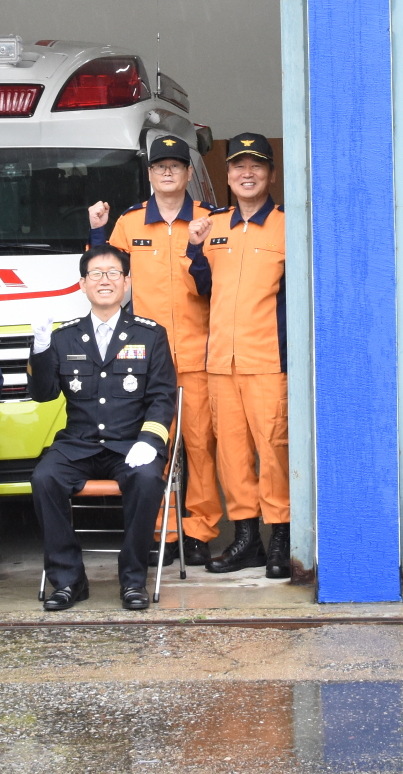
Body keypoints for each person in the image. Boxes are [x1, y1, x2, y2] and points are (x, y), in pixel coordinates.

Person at [88, 133, 215, 568]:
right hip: (145, 359)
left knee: (200, 446)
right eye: (160, 166)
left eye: (175, 166)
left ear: (188, 172)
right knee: (153, 444)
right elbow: (104, 273)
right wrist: (98, 230)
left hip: (198, 352)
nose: (167, 172)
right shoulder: (130, 221)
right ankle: (164, 530)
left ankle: (199, 531)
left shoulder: (208, 218)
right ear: (149, 173)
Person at [30, 244, 179, 611]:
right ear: (83, 284)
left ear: (127, 282)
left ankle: (133, 579)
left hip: (130, 444)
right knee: (45, 478)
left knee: (147, 479)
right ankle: (68, 580)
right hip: (78, 445)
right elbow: (44, 394)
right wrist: (40, 349)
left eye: (114, 273)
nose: (105, 281)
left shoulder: (150, 335)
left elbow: (162, 396)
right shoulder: (64, 337)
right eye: (96, 274)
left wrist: (150, 439)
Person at [191, 133, 292, 579]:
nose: (247, 173)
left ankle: (282, 536)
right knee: (231, 454)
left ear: (271, 174)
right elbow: (202, 286)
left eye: (256, 165)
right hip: (220, 361)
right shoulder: (211, 226)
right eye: (238, 166)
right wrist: (194, 248)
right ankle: (247, 538)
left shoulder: (289, 225)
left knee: (274, 451)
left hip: (268, 358)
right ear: (227, 175)